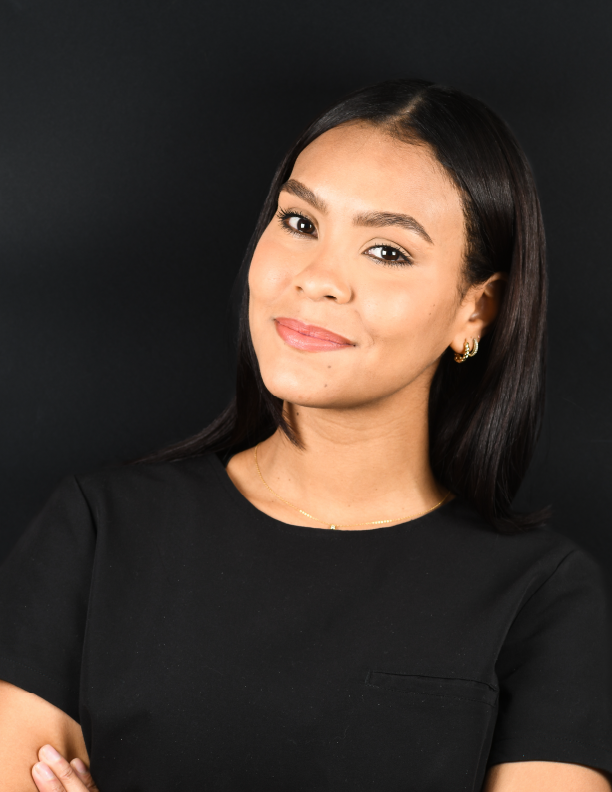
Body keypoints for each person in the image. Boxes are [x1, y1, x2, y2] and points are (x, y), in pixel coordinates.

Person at [0, 78, 610, 792]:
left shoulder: (541, 596)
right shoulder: (99, 531)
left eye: (387, 252)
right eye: (300, 223)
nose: (318, 279)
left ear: (475, 311)